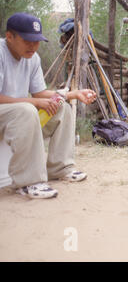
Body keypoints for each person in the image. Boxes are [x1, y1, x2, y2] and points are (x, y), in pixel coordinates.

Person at [0, 12, 97, 199]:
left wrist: (72, 95)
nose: (33, 46)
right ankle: (29, 182)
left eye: (36, 41)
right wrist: (34, 102)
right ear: (10, 37)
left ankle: (60, 168)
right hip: (12, 115)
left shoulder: (32, 58)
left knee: (61, 106)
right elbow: (33, 100)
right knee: (27, 110)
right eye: (27, 40)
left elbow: (39, 93)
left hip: (16, 116)